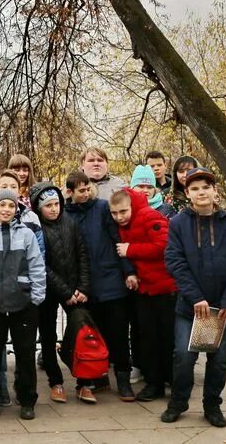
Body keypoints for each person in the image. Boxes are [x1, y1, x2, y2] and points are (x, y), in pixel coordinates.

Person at [161, 168, 226, 428]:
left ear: (214, 191)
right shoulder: (178, 224)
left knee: (218, 360)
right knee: (184, 357)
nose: (201, 192)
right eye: (195, 188)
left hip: (222, 309)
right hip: (191, 307)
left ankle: (212, 405)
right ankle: (178, 401)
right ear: (187, 194)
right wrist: (195, 297)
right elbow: (174, 261)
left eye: (205, 187)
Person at [0, 189, 45, 420]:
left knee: (25, 353)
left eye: (11, 206)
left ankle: (27, 398)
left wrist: (37, 296)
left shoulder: (26, 234)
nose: (6, 209)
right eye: (2, 205)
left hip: (22, 301)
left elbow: (36, 265)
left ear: (16, 209)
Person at [64, 169, 136, 403]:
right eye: (81, 190)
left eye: (88, 189)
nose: (86, 193)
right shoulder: (67, 214)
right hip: (85, 284)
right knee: (93, 333)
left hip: (110, 278)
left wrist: (128, 271)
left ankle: (123, 378)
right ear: (70, 192)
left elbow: (118, 239)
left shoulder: (102, 208)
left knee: (118, 332)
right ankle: (98, 375)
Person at [108, 188, 176, 403]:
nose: (119, 217)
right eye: (114, 213)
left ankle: (173, 380)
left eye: (123, 212)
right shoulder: (125, 224)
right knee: (147, 338)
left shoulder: (150, 216)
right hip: (144, 288)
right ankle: (153, 382)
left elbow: (164, 246)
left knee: (167, 337)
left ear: (132, 206)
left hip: (164, 288)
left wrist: (131, 250)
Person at [29, 182, 90, 404]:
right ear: (39, 208)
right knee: (48, 336)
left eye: (57, 204)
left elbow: (82, 254)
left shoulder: (70, 223)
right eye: (48, 205)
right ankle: (56, 382)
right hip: (49, 291)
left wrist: (82, 287)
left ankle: (84, 382)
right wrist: (65, 291)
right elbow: (41, 264)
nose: (54, 209)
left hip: (75, 289)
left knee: (81, 334)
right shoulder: (36, 229)